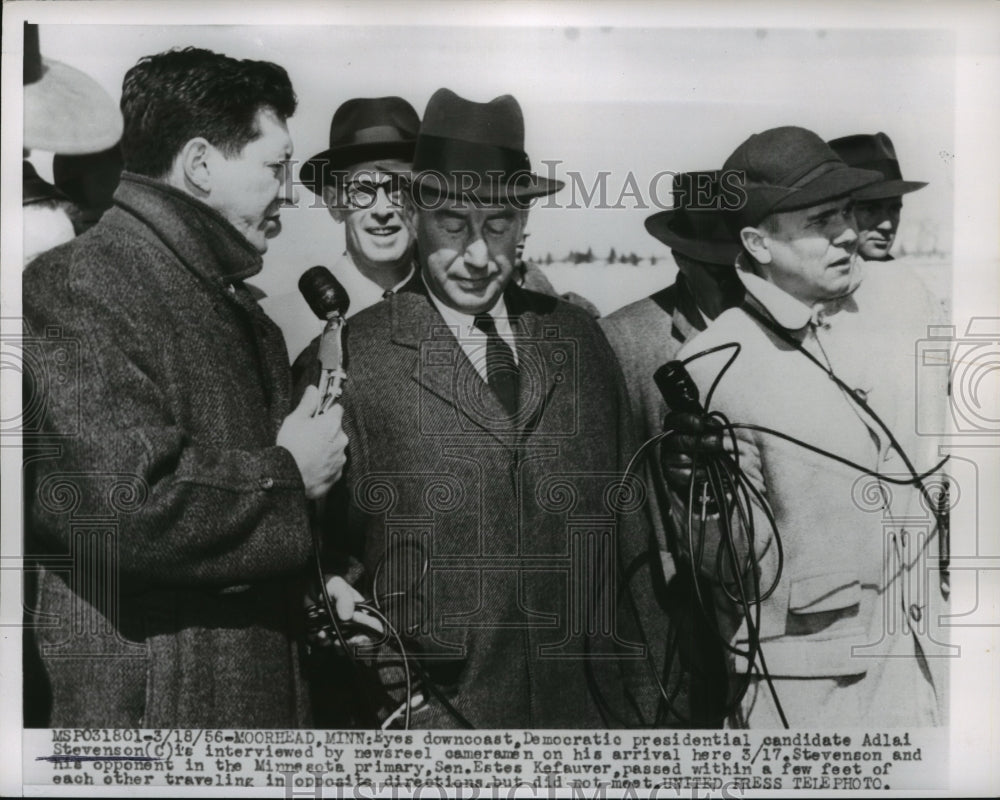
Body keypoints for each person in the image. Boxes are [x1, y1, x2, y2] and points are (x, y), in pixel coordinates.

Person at [294, 88, 660, 728]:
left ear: (525, 225)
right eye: (453, 224)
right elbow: (318, 563)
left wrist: (658, 709)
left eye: (498, 225)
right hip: (438, 727)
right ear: (416, 217)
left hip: (592, 722)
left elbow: (632, 542)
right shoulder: (351, 361)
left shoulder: (579, 339)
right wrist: (391, 698)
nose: (477, 254)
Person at [23, 47, 351, 728]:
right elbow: (126, 509)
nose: (290, 191)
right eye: (275, 167)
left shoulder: (225, 304)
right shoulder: (76, 284)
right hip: (158, 730)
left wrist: (318, 585)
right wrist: (292, 475)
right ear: (200, 164)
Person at [673, 126, 948, 727]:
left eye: (847, 211)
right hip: (811, 696)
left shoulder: (906, 297)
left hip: (929, 665)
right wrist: (703, 500)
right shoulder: (713, 362)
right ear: (758, 242)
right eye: (822, 220)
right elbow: (732, 572)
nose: (848, 232)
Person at [599, 170, 745, 725]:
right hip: (679, 614)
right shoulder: (624, 339)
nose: (738, 286)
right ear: (679, 258)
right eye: (718, 270)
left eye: (746, 267)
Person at [260, 97, 422, 361]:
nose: (382, 210)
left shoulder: (454, 314)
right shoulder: (277, 324)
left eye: (398, 189)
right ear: (335, 204)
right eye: (362, 191)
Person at [828, 132, 927, 261]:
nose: (887, 226)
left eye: (894, 209)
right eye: (870, 210)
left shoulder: (899, 277)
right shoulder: (809, 280)